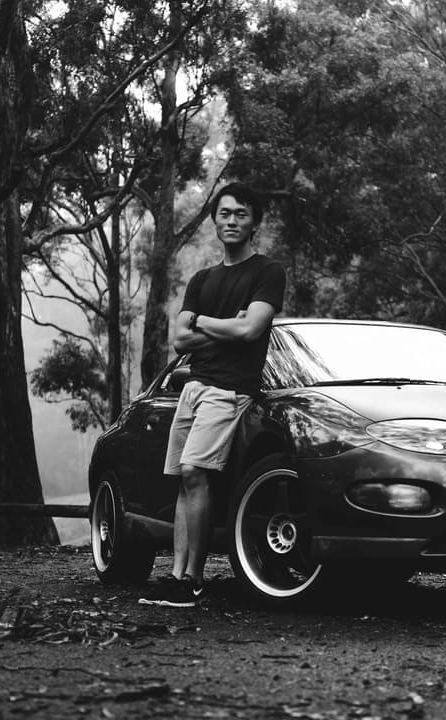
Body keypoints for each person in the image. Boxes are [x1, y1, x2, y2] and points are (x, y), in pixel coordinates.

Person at [139, 183, 286, 608]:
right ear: (215, 221)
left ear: (254, 222)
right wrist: (222, 325)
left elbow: (251, 331)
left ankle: (193, 580)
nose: (232, 220)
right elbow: (180, 340)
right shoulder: (202, 279)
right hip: (193, 389)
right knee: (186, 481)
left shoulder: (266, 272)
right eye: (224, 214)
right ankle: (177, 577)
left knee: (196, 475)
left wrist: (206, 324)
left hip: (229, 391)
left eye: (241, 213)